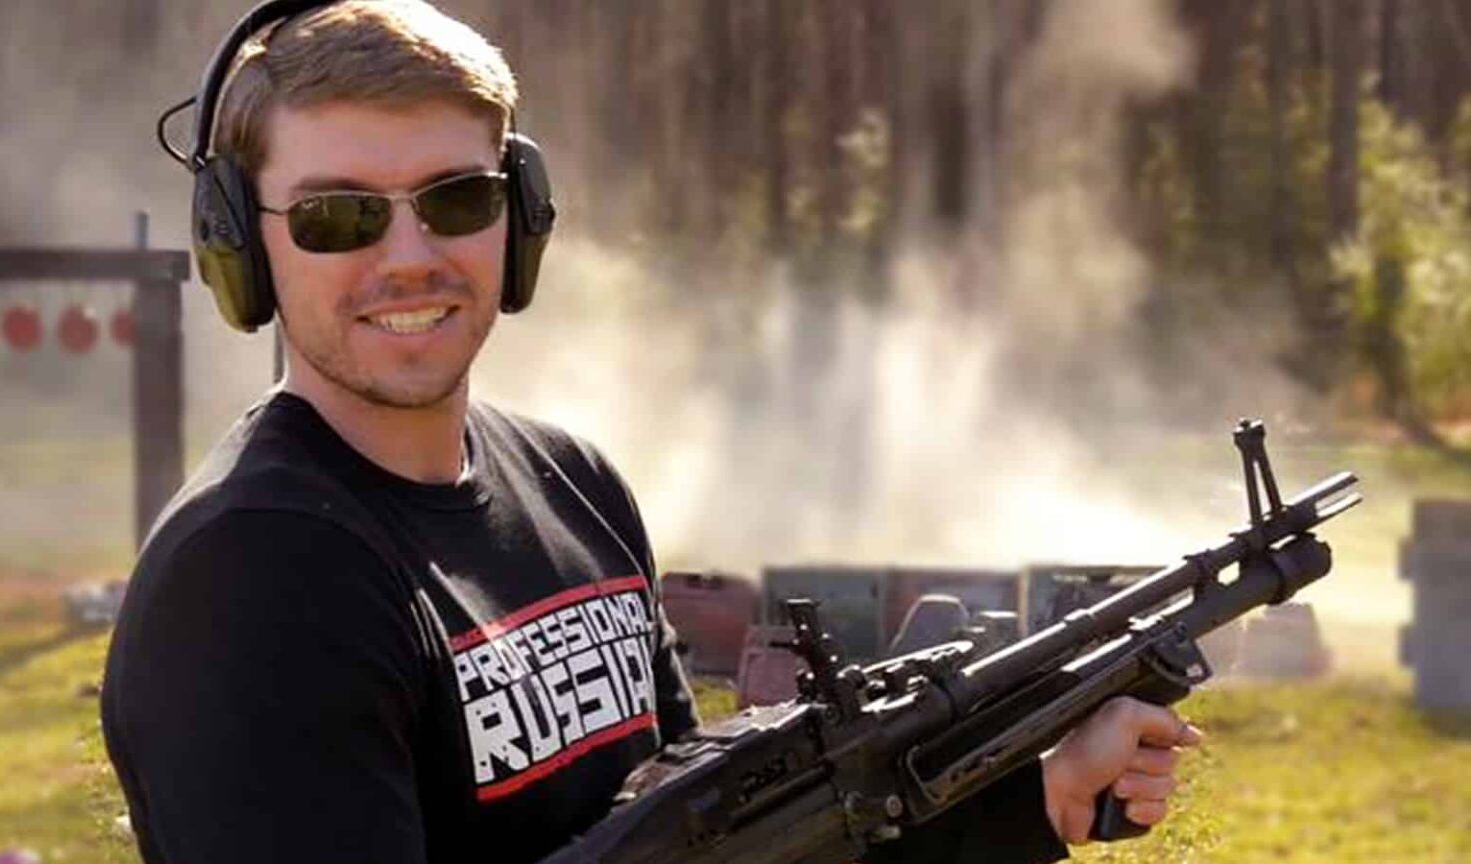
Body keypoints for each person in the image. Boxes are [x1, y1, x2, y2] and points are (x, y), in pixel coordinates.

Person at [100, 2, 1200, 863]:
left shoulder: (570, 481)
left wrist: (1032, 797)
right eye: (339, 216)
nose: (410, 258)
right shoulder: (253, 579)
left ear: (520, 219)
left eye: (456, 200)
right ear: (239, 244)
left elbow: (713, 837)